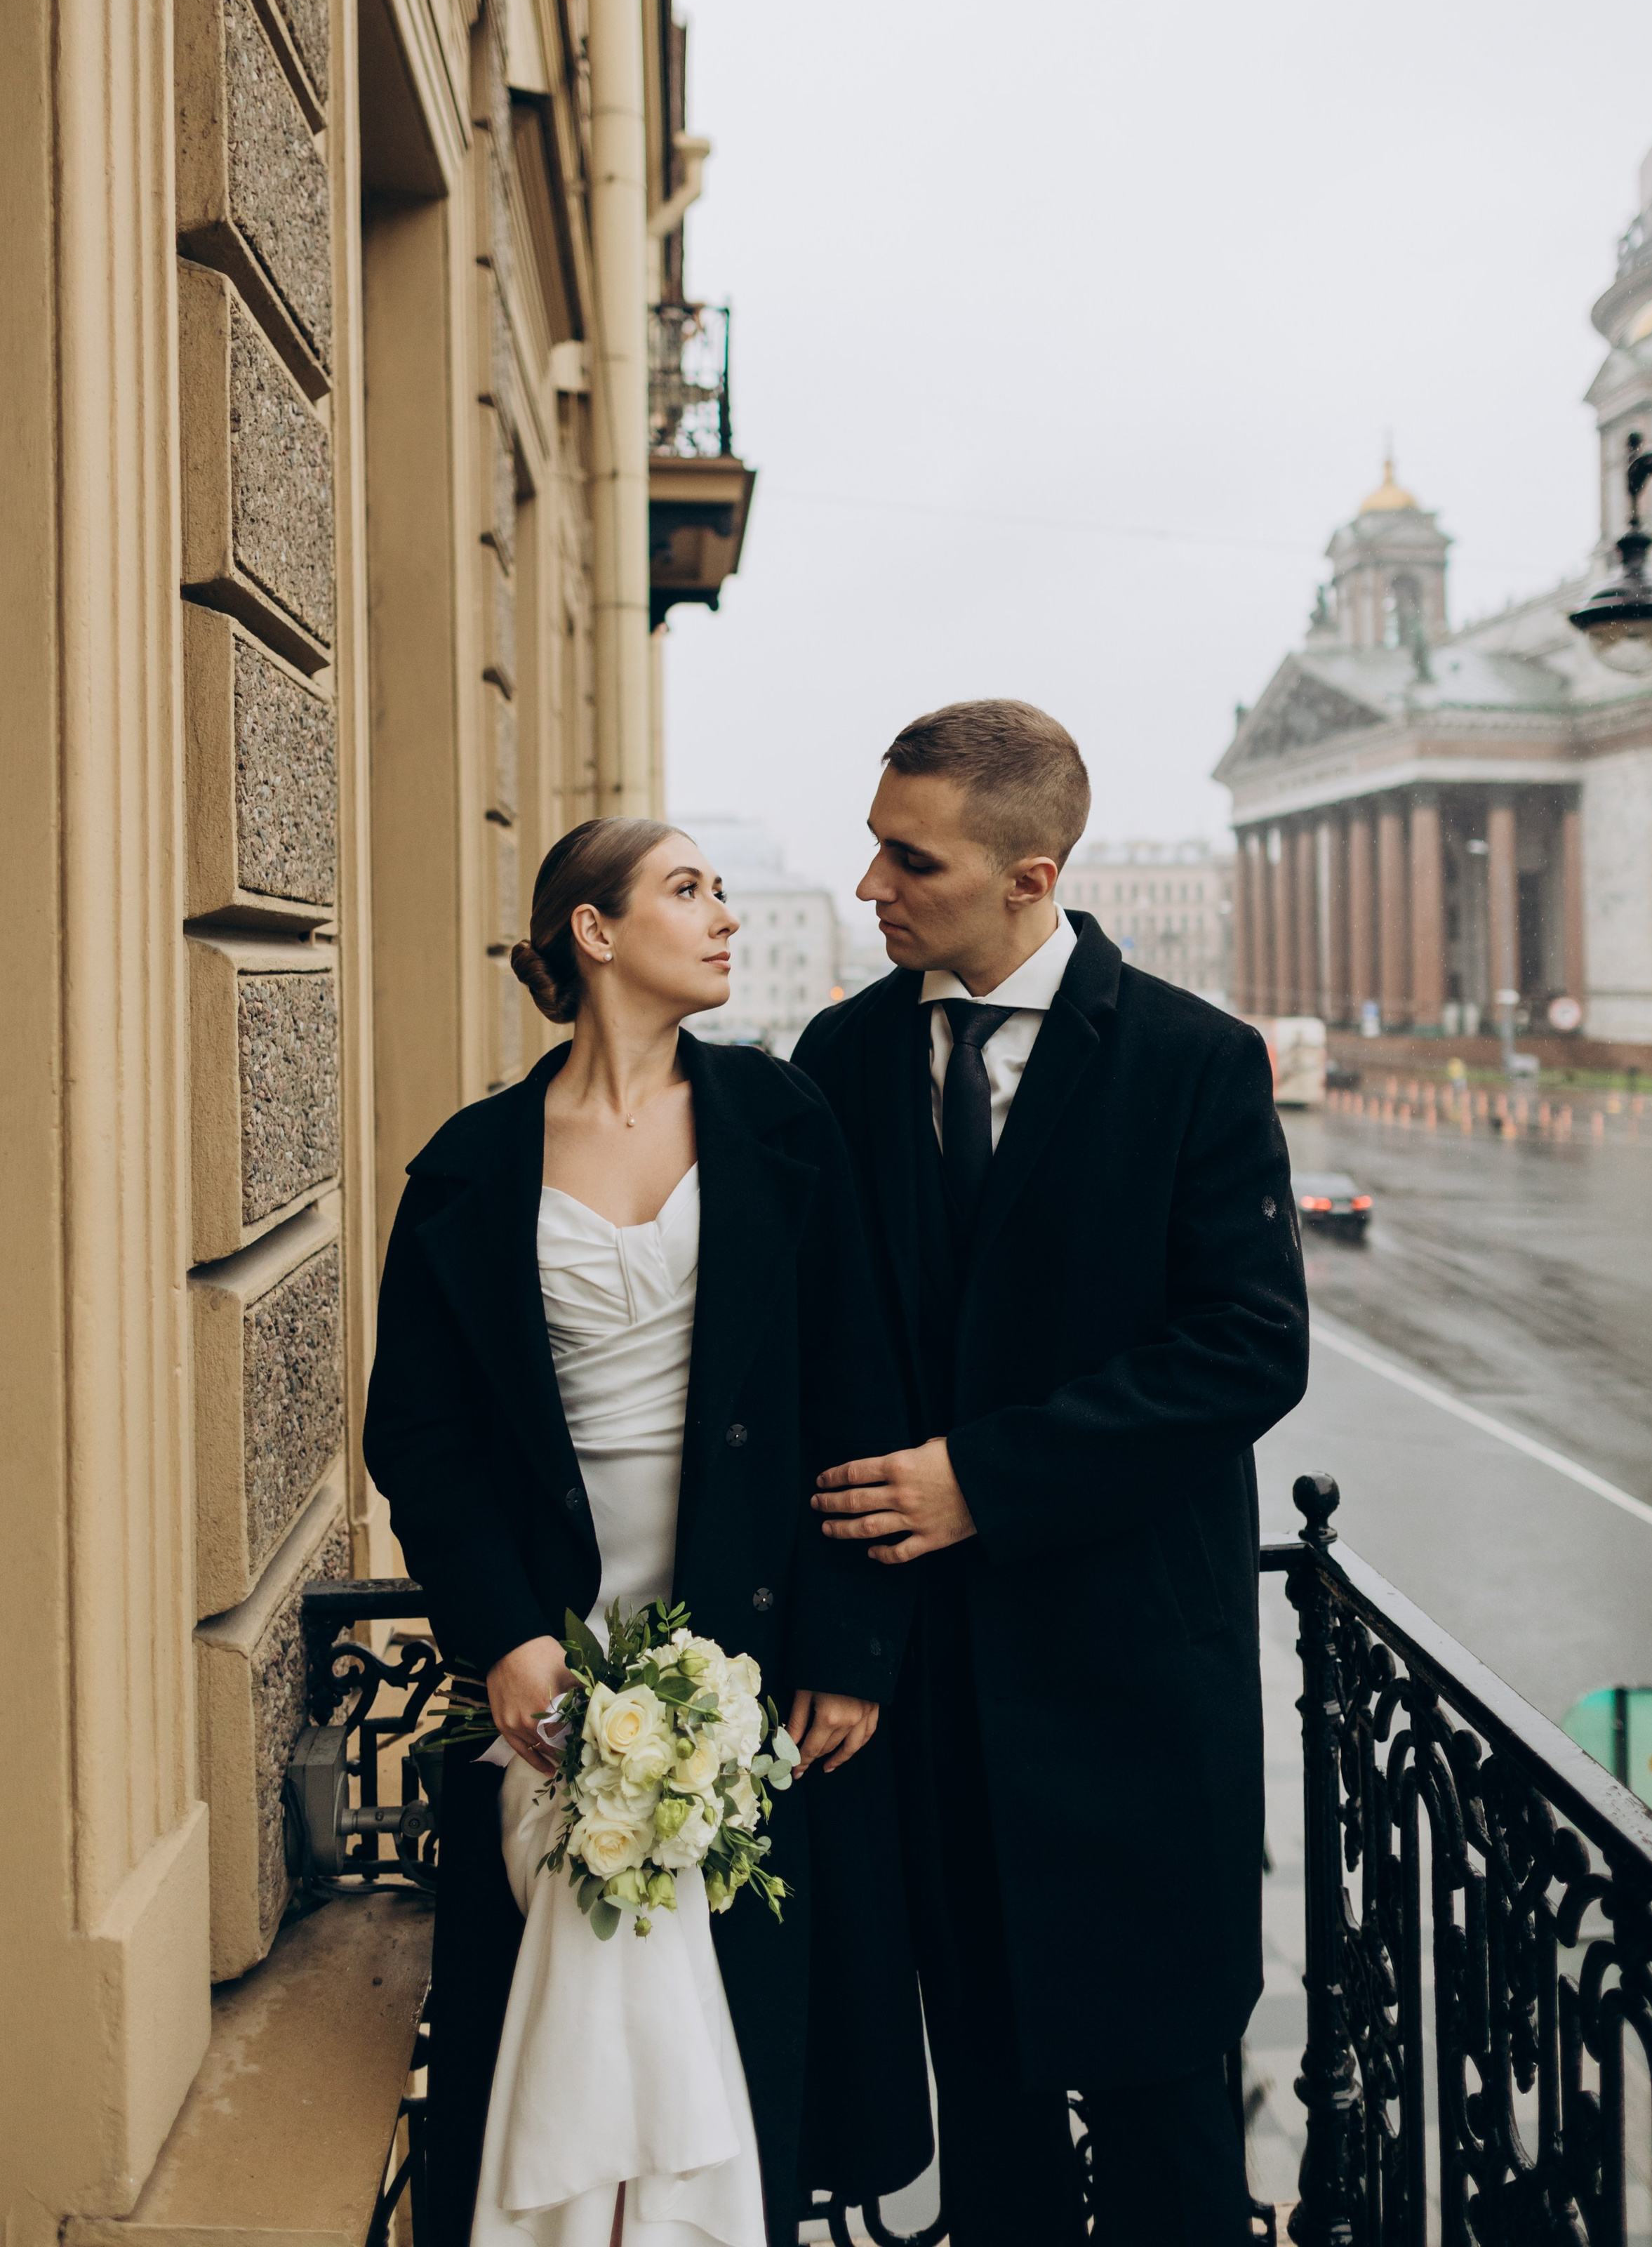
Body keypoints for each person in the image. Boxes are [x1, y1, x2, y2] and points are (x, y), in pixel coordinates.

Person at [364, 818, 930, 2247]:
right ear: (593, 933)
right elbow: (421, 1440)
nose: (725, 916)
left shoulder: (780, 1125)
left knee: (731, 2038)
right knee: (553, 2024)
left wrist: (850, 1646)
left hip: (755, 1657)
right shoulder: (470, 1168)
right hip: (552, 1658)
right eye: (689, 890)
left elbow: (858, 1390)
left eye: (724, 892)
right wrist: (499, 1635)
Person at [792, 700, 1309, 2247]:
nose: (871, 884)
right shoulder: (841, 1053)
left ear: (1033, 873)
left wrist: (982, 1481)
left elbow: (1243, 1353)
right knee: (991, 2132)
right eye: (874, 845)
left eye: (909, 858)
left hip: (1132, 1699)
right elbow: (818, 1350)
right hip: (923, 1702)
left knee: (1166, 2149)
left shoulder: (1193, 1064)